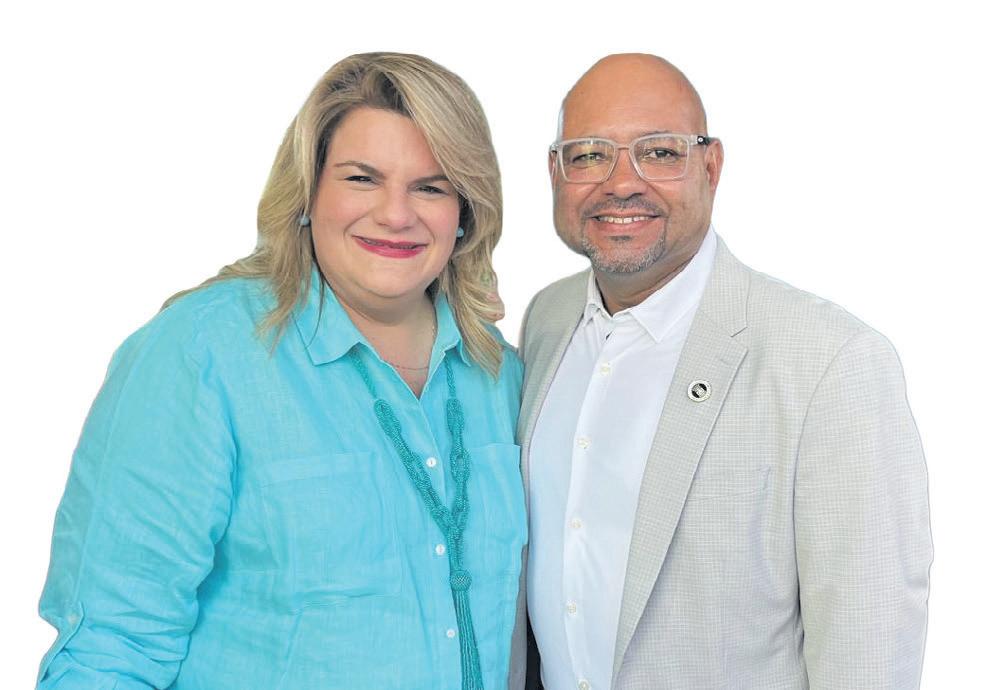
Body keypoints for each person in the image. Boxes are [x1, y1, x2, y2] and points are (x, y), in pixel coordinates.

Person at [37, 52, 526, 690]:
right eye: (362, 178)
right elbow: (111, 648)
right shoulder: (200, 354)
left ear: (466, 212)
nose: (396, 214)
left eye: (431, 187)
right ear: (307, 195)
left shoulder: (501, 374)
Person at [510, 54, 932, 690]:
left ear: (711, 167)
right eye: (590, 155)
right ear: (555, 173)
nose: (620, 184)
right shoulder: (547, 318)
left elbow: (869, 643)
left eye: (659, 152)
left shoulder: (831, 361)